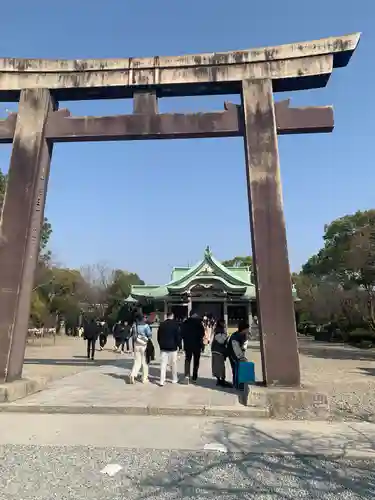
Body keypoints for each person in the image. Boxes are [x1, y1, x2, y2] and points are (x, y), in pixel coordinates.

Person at [157, 311, 181, 386]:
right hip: (173, 347)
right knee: (173, 364)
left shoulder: (162, 324)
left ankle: (161, 380)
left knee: (163, 364)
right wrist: (179, 346)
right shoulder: (175, 325)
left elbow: (158, 336)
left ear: (167, 316)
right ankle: (174, 379)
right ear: (172, 316)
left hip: (163, 347)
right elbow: (178, 337)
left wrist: (160, 344)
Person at [180, 311, 205, 383]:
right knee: (196, 361)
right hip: (197, 345)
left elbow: (182, 333)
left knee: (187, 360)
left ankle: (187, 376)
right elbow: (202, 334)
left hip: (188, 344)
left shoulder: (185, 323)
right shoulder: (199, 323)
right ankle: (194, 377)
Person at [128, 314, 153, 384]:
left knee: (136, 361)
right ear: (142, 319)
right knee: (144, 362)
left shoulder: (134, 325)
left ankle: (132, 375)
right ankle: (144, 378)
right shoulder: (146, 326)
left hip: (136, 344)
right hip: (144, 345)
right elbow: (150, 335)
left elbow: (131, 334)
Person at [227, 320, 249, 389]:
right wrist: (241, 357)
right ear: (244, 329)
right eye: (247, 329)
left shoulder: (243, 335)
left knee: (238, 369)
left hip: (238, 355)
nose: (248, 330)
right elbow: (236, 349)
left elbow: (243, 346)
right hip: (233, 355)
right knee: (236, 369)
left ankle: (238, 384)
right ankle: (237, 385)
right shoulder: (235, 337)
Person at [211, 318, 231, 387]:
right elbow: (221, 341)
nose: (225, 324)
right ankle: (221, 381)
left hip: (216, 350)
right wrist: (226, 336)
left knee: (217, 366)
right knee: (220, 366)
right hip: (218, 351)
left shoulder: (218, 330)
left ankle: (219, 380)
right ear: (221, 323)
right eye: (223, 323)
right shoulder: (219, 330)